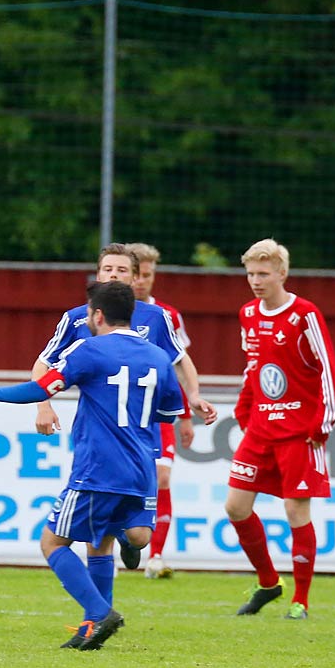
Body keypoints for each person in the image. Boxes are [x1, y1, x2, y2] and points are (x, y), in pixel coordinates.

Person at [0, 280, 183, 649]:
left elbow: (42, 388)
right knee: (113, 539)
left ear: (97, 315)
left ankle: (99, 612)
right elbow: (169, 414)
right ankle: (96, 619)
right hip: (142, 467)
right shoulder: (158, 358)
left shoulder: (89, 350)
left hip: (98, 468)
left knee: (52, 543)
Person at [33, 245, 217, 595]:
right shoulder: (76, 318)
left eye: (121, 270)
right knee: (95, 535)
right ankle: (98, 616)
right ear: (97, 275)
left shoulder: (156, 318)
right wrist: (44, 405)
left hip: (140, 433)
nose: (114, 275)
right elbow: (43, 363)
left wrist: (192, 397)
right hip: (99, 435)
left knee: (136, 533)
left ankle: (126, 547)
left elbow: (180, 360)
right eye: (108, 269)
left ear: (135, 278)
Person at [225, 239, 335, 621]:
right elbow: (253, 366)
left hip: (299, 430)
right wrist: (244, 407)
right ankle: (269, 582)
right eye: (251, 273)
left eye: (263, 273)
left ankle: (301, 600)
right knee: (236, 506)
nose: (256, 281)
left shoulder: (304, 314)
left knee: (295, 510)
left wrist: (323, 421)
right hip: (260, 427)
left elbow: (328, 368)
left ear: (282, 274)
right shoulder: (248, 314)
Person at [124, 241, 205, 578]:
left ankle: (155, 556)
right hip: (120, 412)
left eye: (149, 275)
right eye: (138, 275)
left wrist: (186, 413)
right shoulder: (106, 312)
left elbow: (176, 365)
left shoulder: (166, 316)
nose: (143, 281)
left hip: (157, 413)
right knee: (122, 479)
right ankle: (123, 538)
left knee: (162, 476)